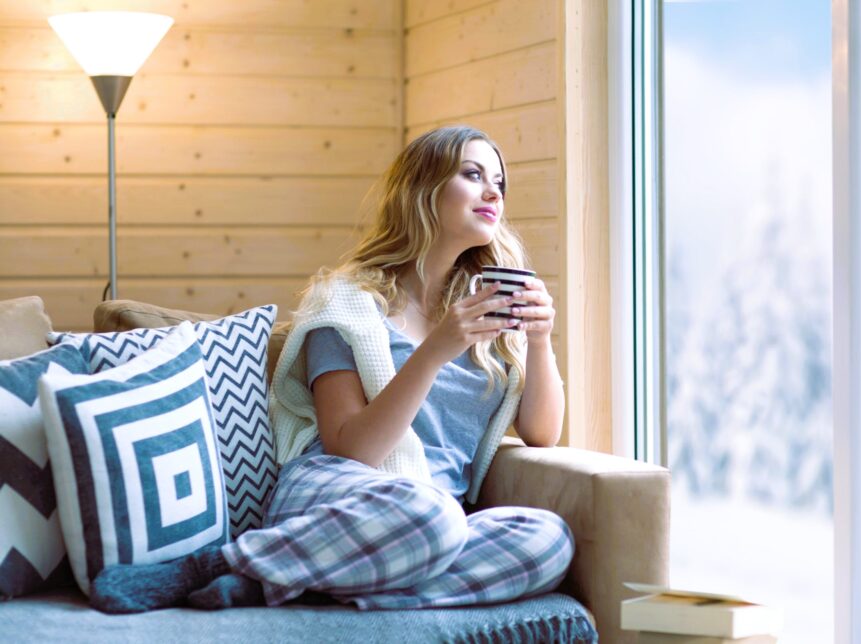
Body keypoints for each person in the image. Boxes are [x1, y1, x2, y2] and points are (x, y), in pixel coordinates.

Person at [90, 126, 574, 613]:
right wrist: (435, 351)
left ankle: (276, 582)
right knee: (433, 515)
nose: (494, 192)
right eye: (473, 175)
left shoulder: (486, 313)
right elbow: (353, 449)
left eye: (500, 183)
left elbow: (541, 433)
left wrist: (538, 339)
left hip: (423, 521)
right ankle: (215, 565)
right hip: (337, 493)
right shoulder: (347, 303)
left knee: (548, 538)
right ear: (423, 190)